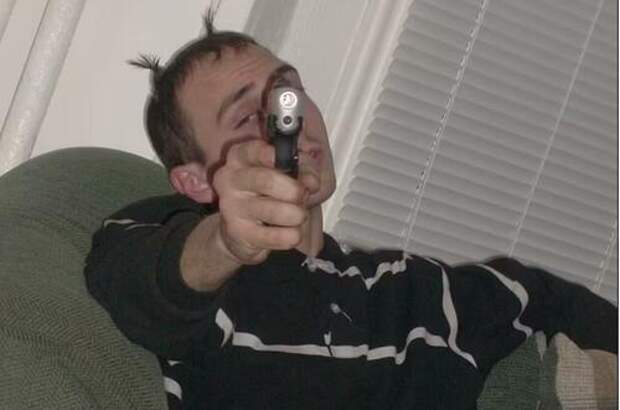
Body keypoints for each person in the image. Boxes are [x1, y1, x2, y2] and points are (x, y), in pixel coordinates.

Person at [84, 9, 617, 410]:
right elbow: (139, 284)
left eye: (287, 95)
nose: (287, 123)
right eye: (245, 117)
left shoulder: (412, 290)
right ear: (196, 181)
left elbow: (555, 303)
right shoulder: (180, 260)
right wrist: (226, 242)